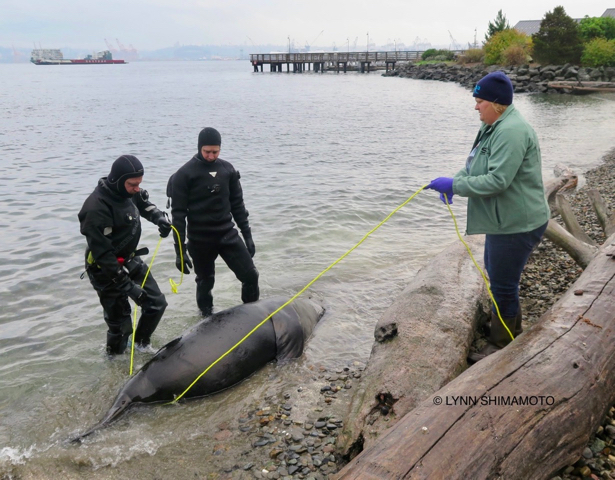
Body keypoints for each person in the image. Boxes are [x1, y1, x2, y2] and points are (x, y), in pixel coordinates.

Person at [426, 71, 550, 364]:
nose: (475, 106)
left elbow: (497, 181)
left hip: (518, 221)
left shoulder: (512, 131)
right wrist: (455, 181)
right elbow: (473, 166)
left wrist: (455, 185)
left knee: (503, 284)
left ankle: (501, 347)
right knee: (500, 279)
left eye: (479, 101)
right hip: (504, 219)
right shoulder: (493, 125)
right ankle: (511, 330)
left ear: (496, 103)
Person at [78, 155, 172, 355]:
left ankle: (141, 346)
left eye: (139, 183)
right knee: (121, 327)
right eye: (133, 184)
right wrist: (129, 288)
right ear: (118, 181)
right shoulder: (95, 208)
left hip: (129, 260)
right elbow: (104, 256)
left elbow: (144, 205)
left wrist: (159, 218)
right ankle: (115, 363)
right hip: (104, 269)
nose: (137, 188)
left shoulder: (128, 191)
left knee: (156, 304)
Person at [169, 127, 259, 316]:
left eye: (215, 152)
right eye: (207, 151)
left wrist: (247, 236)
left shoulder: (227, 169)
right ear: (199, 148)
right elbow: (178, 217)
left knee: (251, 275)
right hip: (200, 240)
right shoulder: (184, 175)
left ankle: (254, 317)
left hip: (227, 235)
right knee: (205, 282)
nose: (211, 156)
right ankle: (205, 322)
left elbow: (238, 206)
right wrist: (180, 251)